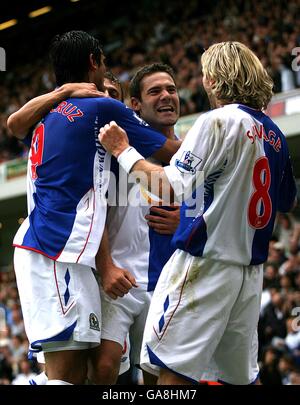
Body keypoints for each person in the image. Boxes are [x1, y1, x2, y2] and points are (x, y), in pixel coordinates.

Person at [99, 41, 297, 385]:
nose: (203, 81)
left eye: (206, 73)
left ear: (217, 79)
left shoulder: (218, 121)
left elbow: (168, 186)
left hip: (206, 265)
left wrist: (122, 150)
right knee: (239, 380)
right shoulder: (275, 133)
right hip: (249, 274)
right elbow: (285, 201)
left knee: (169, 373)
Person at [8, 30, 180, 385]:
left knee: (86, 372)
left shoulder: (51, 112)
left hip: (65, 254)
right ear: (93, 62)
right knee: (66, 375)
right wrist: (222, 133)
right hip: (55, 249)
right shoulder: (102, 108)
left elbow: (14, 124)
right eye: (102, 66)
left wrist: (63, 92)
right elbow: (170, 156)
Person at [96, 63, 181, 385]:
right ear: (135, 104)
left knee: (157, 375)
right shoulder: (113, 149)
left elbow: (213, 208)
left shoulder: (191, 153)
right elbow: (95, 211)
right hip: (120, 279)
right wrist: (105, 267)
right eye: (155, 91)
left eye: (171, 89)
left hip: (169, 282)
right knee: (104, 368)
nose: (166, 97)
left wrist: (184, 220)